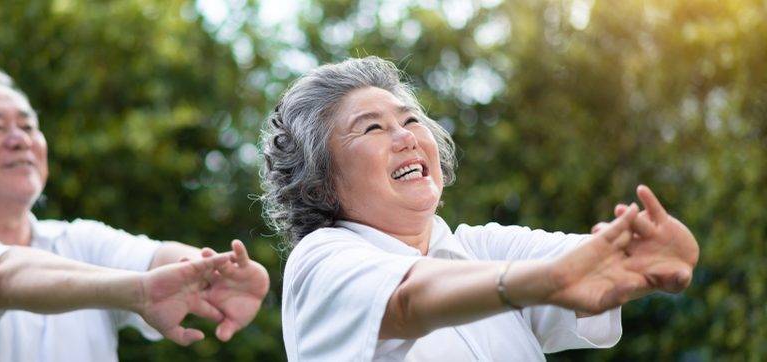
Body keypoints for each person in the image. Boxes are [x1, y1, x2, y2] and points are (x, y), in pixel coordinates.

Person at [260, 57, 699, 361]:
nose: (406, 137)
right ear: (318, 181)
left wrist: (640, 255)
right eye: (372, 128)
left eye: (410, 120)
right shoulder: (320, 261)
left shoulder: (478, 247)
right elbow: (409, 300)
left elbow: (591, 266)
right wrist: (547, 281)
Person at [0, 68, 269, 361]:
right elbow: (2, 278)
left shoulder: (77, 240)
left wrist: (216, 274)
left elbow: (157, 260)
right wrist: (140, 290)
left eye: (28, 125)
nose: (20, 139)